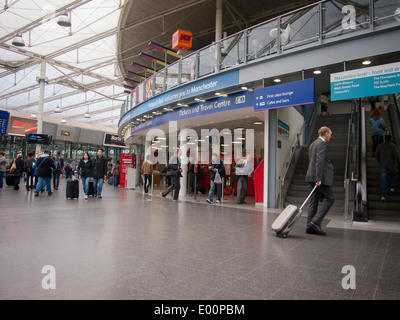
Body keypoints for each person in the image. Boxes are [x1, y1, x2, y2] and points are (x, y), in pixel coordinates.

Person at [305, 127, 335, 236]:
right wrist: (318, 178)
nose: (331, 136)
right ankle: (315, 222)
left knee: (313, 202)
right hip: (318, 178)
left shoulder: (313, 144)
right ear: (326, 134)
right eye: (330, 134)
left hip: (311, 176)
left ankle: (309, 226)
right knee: (331, 198)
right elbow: (319, 161)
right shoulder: (322, 144)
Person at [375, 134, 399, 202]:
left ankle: (383, 196)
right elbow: (395, 155)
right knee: (393, 174)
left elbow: (376, 154)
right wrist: (395, 162)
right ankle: (392, 187)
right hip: (391, 164)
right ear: (390, 139)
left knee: (383, 180)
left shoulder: (380, 146)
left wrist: (380, 161)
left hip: (382, 165)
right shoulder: (393, 146)